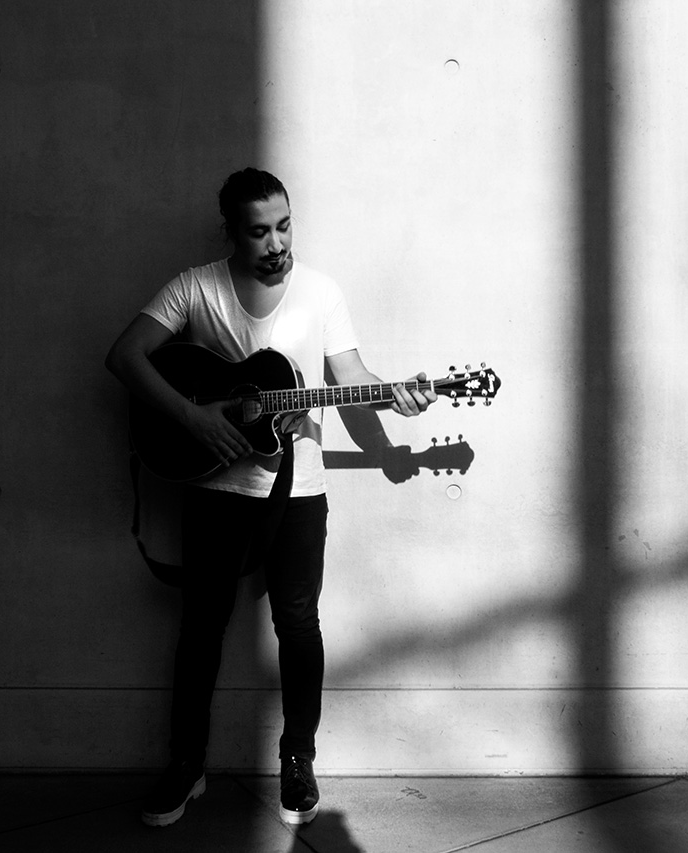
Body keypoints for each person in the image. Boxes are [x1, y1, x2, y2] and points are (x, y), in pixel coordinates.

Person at [105, 168, 435, 828]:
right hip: (216, 490)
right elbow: (126, 355)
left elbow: (353, 376)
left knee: (299, 623)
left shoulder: (320, 292)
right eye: (259, 230)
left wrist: (397, 396)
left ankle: (297, 761)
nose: (276, 241)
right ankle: (187, 765)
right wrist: (196, 418)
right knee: (202, 627)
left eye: (284, 225)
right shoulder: (197, 287)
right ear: (230, 230)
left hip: (299, 492)